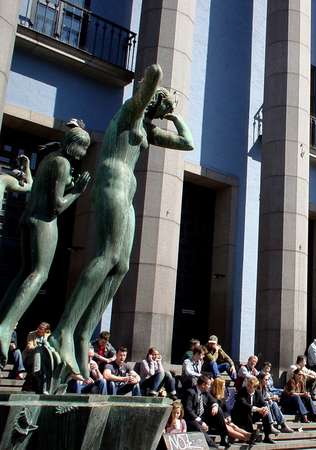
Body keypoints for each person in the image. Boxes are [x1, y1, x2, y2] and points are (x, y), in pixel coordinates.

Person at [49, 64, 194, 380]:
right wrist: (155, 82)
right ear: (152, 100)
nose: (162, 112)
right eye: (163, 106)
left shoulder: (148, 129)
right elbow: (153, 77)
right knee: (108, 255)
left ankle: (84, 333)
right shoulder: (131, 111)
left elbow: (187, 143)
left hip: (127, 193)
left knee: (122, 265)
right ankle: (64, 330)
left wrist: (173, 116)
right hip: (112, 183)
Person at [0, 124, 90, 368]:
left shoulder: (50, 157)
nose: (84, 154)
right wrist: (78, 192)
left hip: (27, 219)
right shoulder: (63, 163)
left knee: (24, 272)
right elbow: (57, 206)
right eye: (84, 148)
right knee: (39, 274)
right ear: (76, 145)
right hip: (44, 223)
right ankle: (6, 327)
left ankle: (3, 321)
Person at [210, 377, 256, 444]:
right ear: (218, 386)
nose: (224, 387)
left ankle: (249, 435)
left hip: (223, 420)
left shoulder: (222, 398)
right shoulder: (211, 397)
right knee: (229, 427)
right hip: (214, 422)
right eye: (223, 385)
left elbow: (225, 410)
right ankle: (246, 438)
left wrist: (228, 416)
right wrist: (223, 419)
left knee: (233, 426)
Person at [232, 377, 276, 444]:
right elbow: (245, 405)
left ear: (255, 388)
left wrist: (265, 409)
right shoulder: (242, 392)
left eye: (250, 386)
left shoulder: (258, 393)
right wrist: (259, 409)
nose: (248, 387)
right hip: (240, 416)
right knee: (247, 411)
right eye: (247, 385)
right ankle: (250, 437)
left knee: (266, 414)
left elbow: (263, 403)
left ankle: (267, 437)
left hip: (253, 415)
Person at [182, 374, 221, 448]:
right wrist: (201, 422)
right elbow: (188, 410)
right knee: (198, 427)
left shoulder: (205, 392)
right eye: (209, 385)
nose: (210, 387)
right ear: (203, 385)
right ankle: (214, 446)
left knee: (219, 411)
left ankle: (224, 435)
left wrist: (215, 406)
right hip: (190, 420)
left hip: (201, 418)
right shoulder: (190, 392)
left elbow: (213, 400)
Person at [23, 322, 53, 394]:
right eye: (39, 327)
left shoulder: (48, 336)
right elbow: (29, 347)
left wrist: (45, 340)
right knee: (39, 352)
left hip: (44, 359)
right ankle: (37, 374)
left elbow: (51, 348)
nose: (38, 329)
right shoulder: (31, 334)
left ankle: (43, 387)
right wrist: (39, 348)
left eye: (41, 329)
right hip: (31, 356)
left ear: (46, 331)